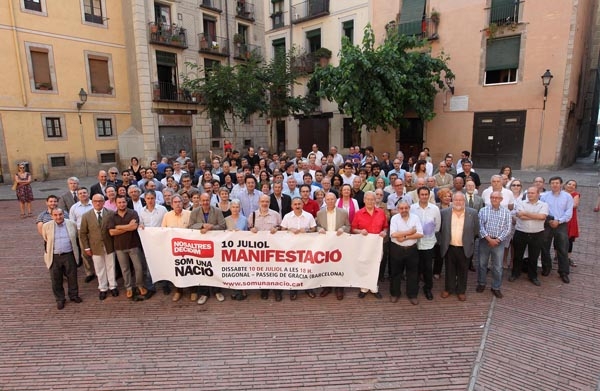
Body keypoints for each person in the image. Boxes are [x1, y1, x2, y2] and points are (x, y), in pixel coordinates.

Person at [439, 192, 480, 301]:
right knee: (449, 270)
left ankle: (461, 291)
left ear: (464, 201)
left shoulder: (473, 213)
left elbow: (476, 230)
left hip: (464, 247)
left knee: (463, 270)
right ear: (452, 201)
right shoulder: (444, 213)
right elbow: (440, 229)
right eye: (456, 200)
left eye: (461, 200)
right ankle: (449, 289)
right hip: (449, 247)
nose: (458, 202)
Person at [107, 195, 148, 300]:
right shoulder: (112, 216)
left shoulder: (133, 213)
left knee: (138, 268)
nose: (122, 204)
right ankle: (128, 287)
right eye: (119, 202)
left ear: (126, 202)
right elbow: (111, 232)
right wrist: (127, 227)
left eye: (123, 202)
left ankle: (140, 285)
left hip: (133, 245)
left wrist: (119, 227)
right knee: (125, 269)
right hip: (119, 247)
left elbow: (134, 227)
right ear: (116, 203)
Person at [188, 193, 226, 304]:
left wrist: (211, 227)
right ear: (199, 201)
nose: (205, 202)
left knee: (216, 267)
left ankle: (217, 291)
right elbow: (190, 226)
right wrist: (202, 226)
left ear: (210, 200)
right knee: (203, 269)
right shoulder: (194, 212)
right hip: (200, 246)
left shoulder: (217, 211)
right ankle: (204, 293)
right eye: (203, 200)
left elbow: (223, 226)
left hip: (215, 245)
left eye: (207, 200)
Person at [79, 194, 118, 300]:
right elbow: (83, 233)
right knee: (99, 268)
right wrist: (86, 247)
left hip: (109, 245)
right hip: (95, 246)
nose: (98, 203)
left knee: (111, 266)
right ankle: (103, 288)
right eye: (95, 201)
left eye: (100, 201)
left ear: (104, 202)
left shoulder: (111, 214)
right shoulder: (87, 216)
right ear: (92, 202)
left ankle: (113, 286)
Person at [42, 208, 82, 310]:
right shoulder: (46, 226)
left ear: (63, 215)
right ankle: (60, 299)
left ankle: (73, 295)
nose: (58, 217)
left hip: (69, 254)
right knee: (56, 279)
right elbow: (46, 240)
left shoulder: (71, 224)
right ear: (52, 216)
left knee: (72, 276)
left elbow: (76, 238)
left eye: (60, 214)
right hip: (54, 256)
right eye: (55, 215)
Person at [352, 191, 389, 299]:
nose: (370, 201)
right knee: (364, 264)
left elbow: (385, 226)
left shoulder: (381, 212)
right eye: (368, 199)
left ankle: (374, 287)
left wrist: (384, 232)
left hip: (377, 245)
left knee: (376, 265)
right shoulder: (359, 213)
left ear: (375, 200)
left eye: (372, 199)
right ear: (364, 200)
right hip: (363, 245)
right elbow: (353, 229)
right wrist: (360, 231)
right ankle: (363, 288)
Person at [510, 186, 549, 286]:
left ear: (538, 194)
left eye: (532, 193)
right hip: (521, 232)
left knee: (533, 256)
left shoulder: (544, 205)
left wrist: (526, 213)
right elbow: (520, 216)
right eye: (528, 193)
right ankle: (515, 273)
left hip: (537, 234)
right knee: (518, 255)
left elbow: (542, 217)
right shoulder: (521, 203)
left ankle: (533, 276)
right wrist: (535, 216)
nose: (530, 195)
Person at [476, 191, 512, 299]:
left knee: (497, 266)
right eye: (492, 197)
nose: (494, 199)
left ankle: (496, 287)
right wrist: (488, 238)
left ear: (501, 199)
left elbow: (508, 228)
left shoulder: (506, 212)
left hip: (498, 242)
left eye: (497, 197)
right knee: (482, 264)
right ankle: (481, 283)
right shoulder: (483, 210)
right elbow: (480, 226)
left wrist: (498, 240)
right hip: (485, 240)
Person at [280, 197, 317, 300]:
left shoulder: (309, 216)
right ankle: (293, 290)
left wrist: (307, 230)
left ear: (302, 205)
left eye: (299, 204)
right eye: (295, 204)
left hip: (306, 247)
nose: (297, 206)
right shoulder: (287, 217)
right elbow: (282, 229)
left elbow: (314, 229)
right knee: (293, 269)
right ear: (292, 206)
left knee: (307, 268)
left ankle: (308, 288)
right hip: (291, 248)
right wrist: (289, 229)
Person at [316, 193, 351, 300]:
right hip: (326, 244)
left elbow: (348, 226)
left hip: (339, 244)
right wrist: (319, 229)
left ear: (336, 200)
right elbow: (317, 226)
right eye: (328, 199)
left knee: (339, 265)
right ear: (325, 200)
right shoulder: (320, 213)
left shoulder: (343, 212)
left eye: (332, 199)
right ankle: (327, 287)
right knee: (326, 265)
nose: (330, 201)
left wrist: (343, 229)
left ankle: (339, 288)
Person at [249, 194, 283, 301]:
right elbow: (249, 228)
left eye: (267, 202)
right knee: (262, 270)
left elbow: (281, 227)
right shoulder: (253, 215)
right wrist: (251, 229)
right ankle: (264, 290)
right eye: (262, 201)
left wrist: (277, 229)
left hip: (274, 248)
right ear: (259, 202)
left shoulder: (276, 215)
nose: (264, 204)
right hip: (259, 250)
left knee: (276, 270)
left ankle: (277, 291)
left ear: (269, 202)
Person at [388, 200, 423, 305]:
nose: (404, 210)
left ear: (409, 208)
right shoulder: (394, 218)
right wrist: (410, 232)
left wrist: (404, 237)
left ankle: (412, 294)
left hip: (411, 249)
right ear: (398, 209)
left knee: (412, 273)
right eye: (401, 208)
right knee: (395, 273)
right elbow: (393, 234)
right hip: (396, 249)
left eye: (406, 208)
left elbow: (420, 234)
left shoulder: (415, 218)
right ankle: (395, 294)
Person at [540, 176, 573, 283]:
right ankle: (546, 267)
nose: (555, 185)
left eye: (557, 183)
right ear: (550, 185)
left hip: (561, 223)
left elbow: (569, 212)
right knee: (544, 246)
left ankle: (563, 272)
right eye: (552, 183)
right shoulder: (544, 196)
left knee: (562, 248)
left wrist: (558, 221)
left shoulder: (567, 197)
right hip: (548, 223)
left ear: (561, 184)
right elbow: (541, 209)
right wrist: (549, 221)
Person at [410, 187, 441, 301]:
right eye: (422, 194)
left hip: (429, 243)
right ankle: (414, 288)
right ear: (418, 195)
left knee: (428, 268)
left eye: (426, 194)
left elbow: (437, 226)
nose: (424, 196)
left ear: (429, 195)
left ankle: (428, 288)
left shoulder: (434, 209)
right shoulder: (412, 208)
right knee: (415, 267)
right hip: (415, 243)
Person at [68, 187, 96, 283]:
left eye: (84, 193)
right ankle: (89, 272)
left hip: (94, 231)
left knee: (97, 251)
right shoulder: (74, 207)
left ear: (88, 194)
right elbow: (72, 222)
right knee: (85, 253)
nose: (83, 195)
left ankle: (98, 271)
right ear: (78, 195)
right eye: (80, 193)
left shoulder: (94, 204)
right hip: (81, 232)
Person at [563, 180, 579, 267]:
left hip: (571, 219)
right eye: (569, 184)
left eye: (573, 185)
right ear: (565, 185)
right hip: (561, 217)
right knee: (558, 237)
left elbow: (575, 205)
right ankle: (557, 256)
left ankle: (568, 257)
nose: (571, 186)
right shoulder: (561, 193)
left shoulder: (575, 194)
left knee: (570, 238)